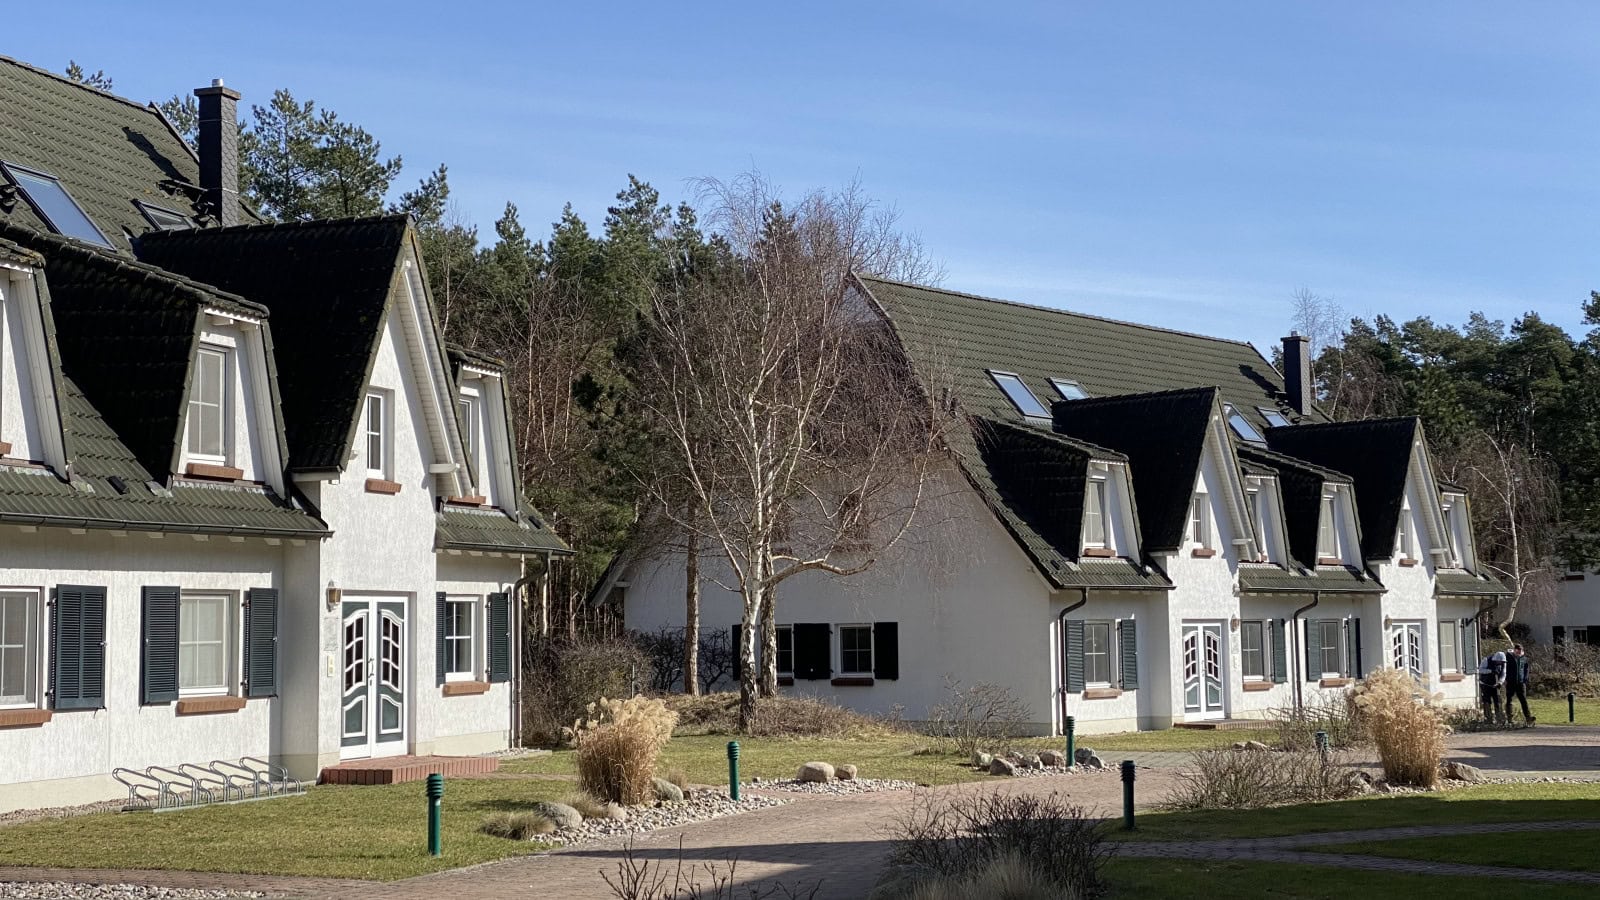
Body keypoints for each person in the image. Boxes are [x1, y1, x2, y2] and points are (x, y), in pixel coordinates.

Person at [1505, 643, 1534, 725]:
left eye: (1520, 650)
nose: (1518, 652)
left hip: (1521, 683)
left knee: (1523, 700)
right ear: (1514, 650)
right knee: (1509, 700)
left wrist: (1525, 679)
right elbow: (1505, 669)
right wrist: (1506, 679)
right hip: (1511, 682)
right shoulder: (1509, 657)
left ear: (1522, 650)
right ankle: (1509, 718)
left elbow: (1526, 669)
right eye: (1517, 650)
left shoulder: (1524, 659)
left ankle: (1528, 717)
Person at [1479, 650, 1506, 724]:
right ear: (1495, 659)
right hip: (1486, 684)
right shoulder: (1486, 660)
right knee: (1487, 701)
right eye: (1499, 662)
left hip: (1496, 685)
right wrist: (1490, 671)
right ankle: (1488, 719)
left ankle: (1499, 719)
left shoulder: (1503, 663)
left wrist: (1500, 682)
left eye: (1501, 662)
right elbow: (1480, 670)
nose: (1500, 663)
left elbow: (1503, 674)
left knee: (1497, 701)